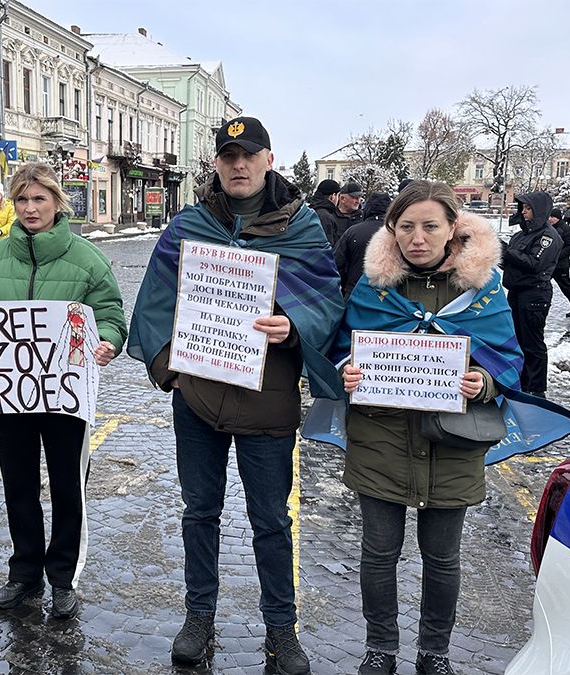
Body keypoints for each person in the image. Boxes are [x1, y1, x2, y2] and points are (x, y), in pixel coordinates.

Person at [127, 116, 347, 675]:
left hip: (267, 398)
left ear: (269, 160)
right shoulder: (189, 226)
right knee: (199, 511)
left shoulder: (302, 227)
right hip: (197, 399)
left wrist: (292, 327)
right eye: (229, 156)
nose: (239, 165)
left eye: (249, 155)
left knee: (271, 519)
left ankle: (282, 629)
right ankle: (198, 616)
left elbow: (326, 301)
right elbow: (154, 300)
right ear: (217, 164)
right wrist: (169, 370)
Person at [0, 162, 127, 621]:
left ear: (57, 202)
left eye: (40, 198)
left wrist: (107, 341)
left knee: (67, 487)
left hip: (66, 394)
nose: (30, 207)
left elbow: (110, 314)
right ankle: (24, 572)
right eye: (22, 199)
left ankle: (62, 578)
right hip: (11, 394)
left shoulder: (88, 259)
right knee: (18, 485)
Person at [337, 180, 518, 675]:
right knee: (378, 553)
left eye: (430, 226)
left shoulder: (483, 291)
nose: (418, 238)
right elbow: (341, 348)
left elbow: (509, 359)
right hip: (380, 439)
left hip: (452, 444)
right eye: (406, 227)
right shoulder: (374, 288)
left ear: (452, 228)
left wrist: (484, 382)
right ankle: (381, 647)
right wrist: (347, 372)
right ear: (392, 229)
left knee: (442, 558)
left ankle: (434, 651)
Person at [502, 191, 560, 397]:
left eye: (528, 208)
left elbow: (535, 263)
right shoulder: (521, 235)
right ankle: (521, 382)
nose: (524, 212)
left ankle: (535, 388)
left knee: (532, 343)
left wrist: (507, 252)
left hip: (534, 295)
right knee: (517, 339)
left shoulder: (548, 236)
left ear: (539, 210)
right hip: (517, 291)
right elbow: (511, 262)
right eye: (523, 208)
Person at [334, 192, 392, 300]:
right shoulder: (396, 233)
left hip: (355, 293)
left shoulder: (352, 232)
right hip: (388, 296)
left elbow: (337, 264)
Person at [549, 207, 570, 318]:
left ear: (558, 218)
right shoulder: (548, 228)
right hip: (548, 264)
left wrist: (558, 255)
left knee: (566, 286)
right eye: (549, 217)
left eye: (553, 217)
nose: (550, 219)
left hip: (561, 265)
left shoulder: (566, 229)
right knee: (540, 284)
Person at [309, 179, 348, 246]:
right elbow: (328, 244)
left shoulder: (310, 210)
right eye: (337, 195)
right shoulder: (326, 217)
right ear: (332, 196)